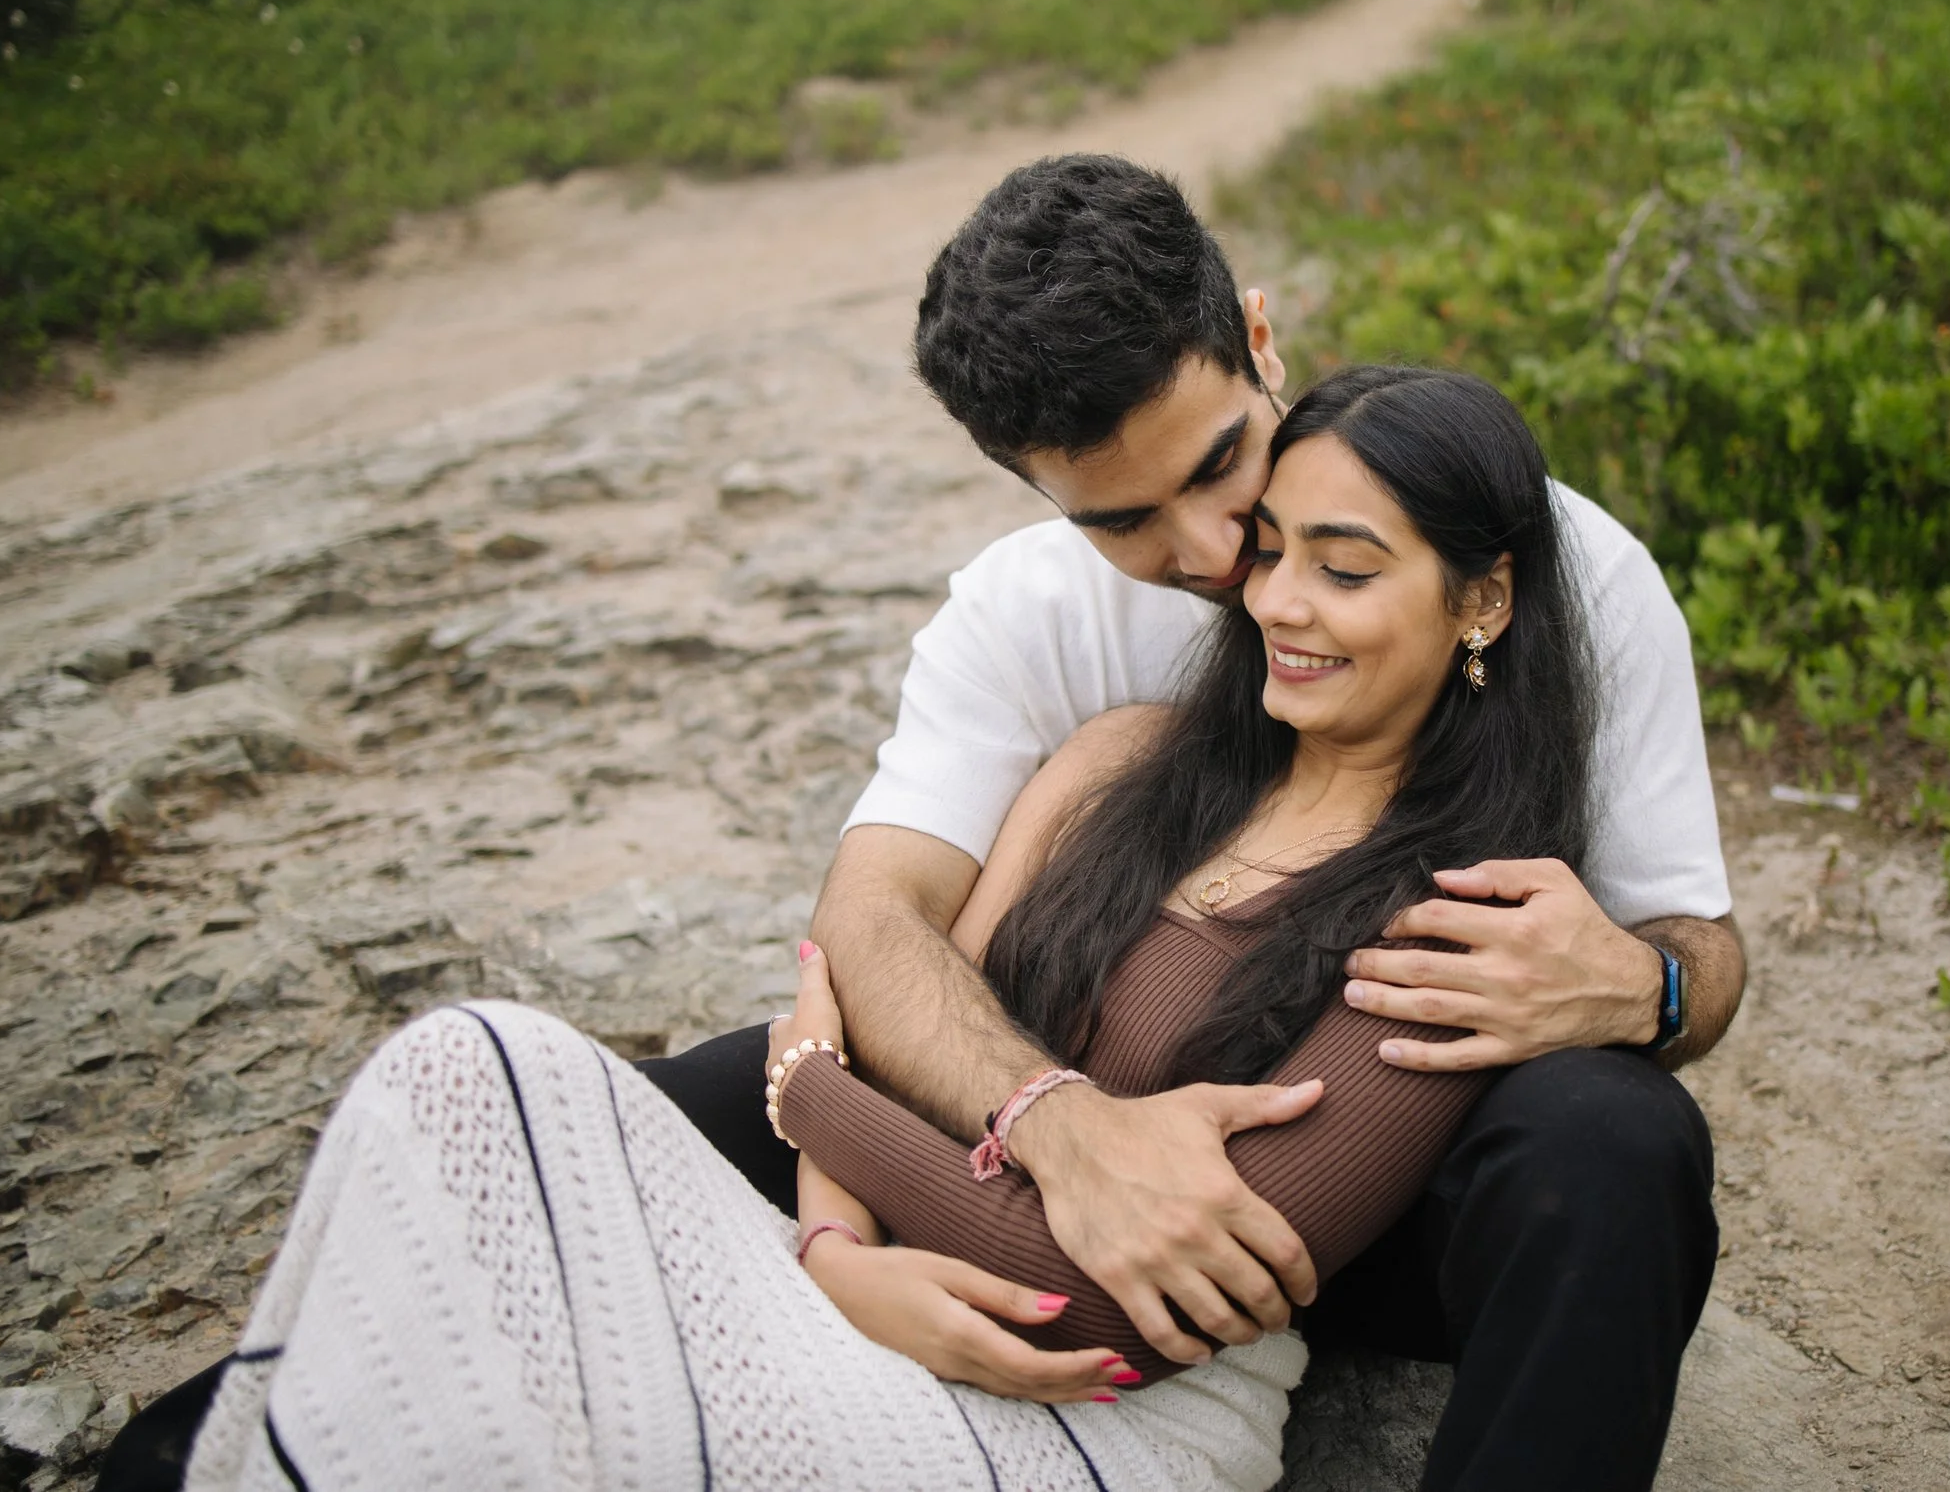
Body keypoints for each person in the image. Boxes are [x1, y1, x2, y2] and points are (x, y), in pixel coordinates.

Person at [179, 366, 1616, 1491]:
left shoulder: (1456, 919)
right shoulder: (1123, 759)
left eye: (1348, 570)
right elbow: (905, 1042)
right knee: (467, 1066)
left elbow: (1110, 1306)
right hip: (867, 1300)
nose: (1281, 602)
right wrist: (834, 1260)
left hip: (1101, 1421)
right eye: (1274, 549)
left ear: (1481, 598)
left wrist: (802, 1091)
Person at [643, 154, 1743, 1489]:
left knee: (1615, 1139)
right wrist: (1042, 1136)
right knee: (631, 1122)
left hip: (1367, 1185)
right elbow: (874, 923)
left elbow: (1698, 944)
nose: (1224, 553)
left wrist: (1649, 978)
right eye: (1127, 519)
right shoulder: (1024, 619)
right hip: (1044, 1147)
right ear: (1039, 487)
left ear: (1260, 340)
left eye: (1225, 463)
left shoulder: (1565, 571)